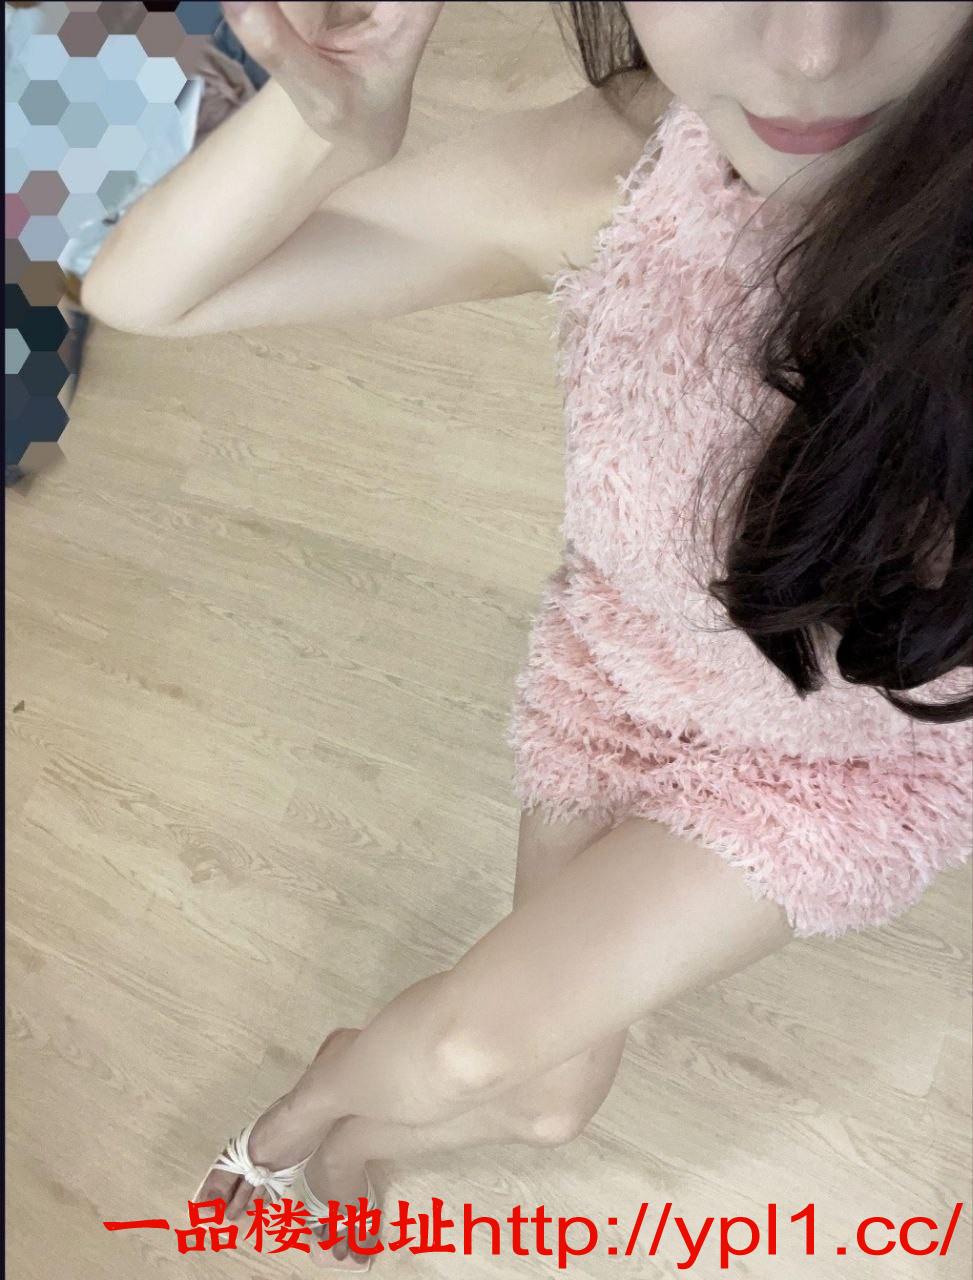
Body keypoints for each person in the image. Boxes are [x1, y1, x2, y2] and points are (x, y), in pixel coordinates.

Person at [80, 1, 972, 1269]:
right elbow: (145, 293)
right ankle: (350, 1116)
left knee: (469, 1048)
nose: (814, 46)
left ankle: (293, 1126)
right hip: (621, 677)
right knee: (550, 1102)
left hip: (841, 770)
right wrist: (332, 128)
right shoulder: (634, 169)